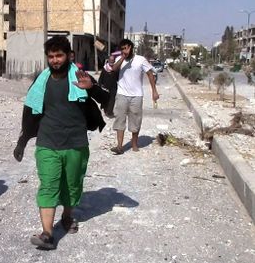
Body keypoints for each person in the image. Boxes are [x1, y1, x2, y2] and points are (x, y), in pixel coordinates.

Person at [13, 36, 106, 250]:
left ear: (69, 56)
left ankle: (66, 216)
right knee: (48, 185)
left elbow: (106, 100)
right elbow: (29, 113)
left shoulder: (81, 77)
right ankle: (47, 234)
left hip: (75, 143)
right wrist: (22, 142)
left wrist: (91, 88)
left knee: (72, 185)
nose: (55, 60)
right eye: (51, 56)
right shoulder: (41, 81)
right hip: (47, 143)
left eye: (59, 55)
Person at [109, 39, 159, 155]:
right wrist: (122, 58)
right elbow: (114, 69)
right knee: (120, 119)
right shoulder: (119, 60)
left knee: (135, 120)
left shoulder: (140, 60)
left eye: (126, 48)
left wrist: (154, 91)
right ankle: (120, 146)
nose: (124, 50)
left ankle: (134, 144)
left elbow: (150, 74)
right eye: (122, 49)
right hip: (122, 94)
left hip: (137, 95)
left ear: (131, 47)